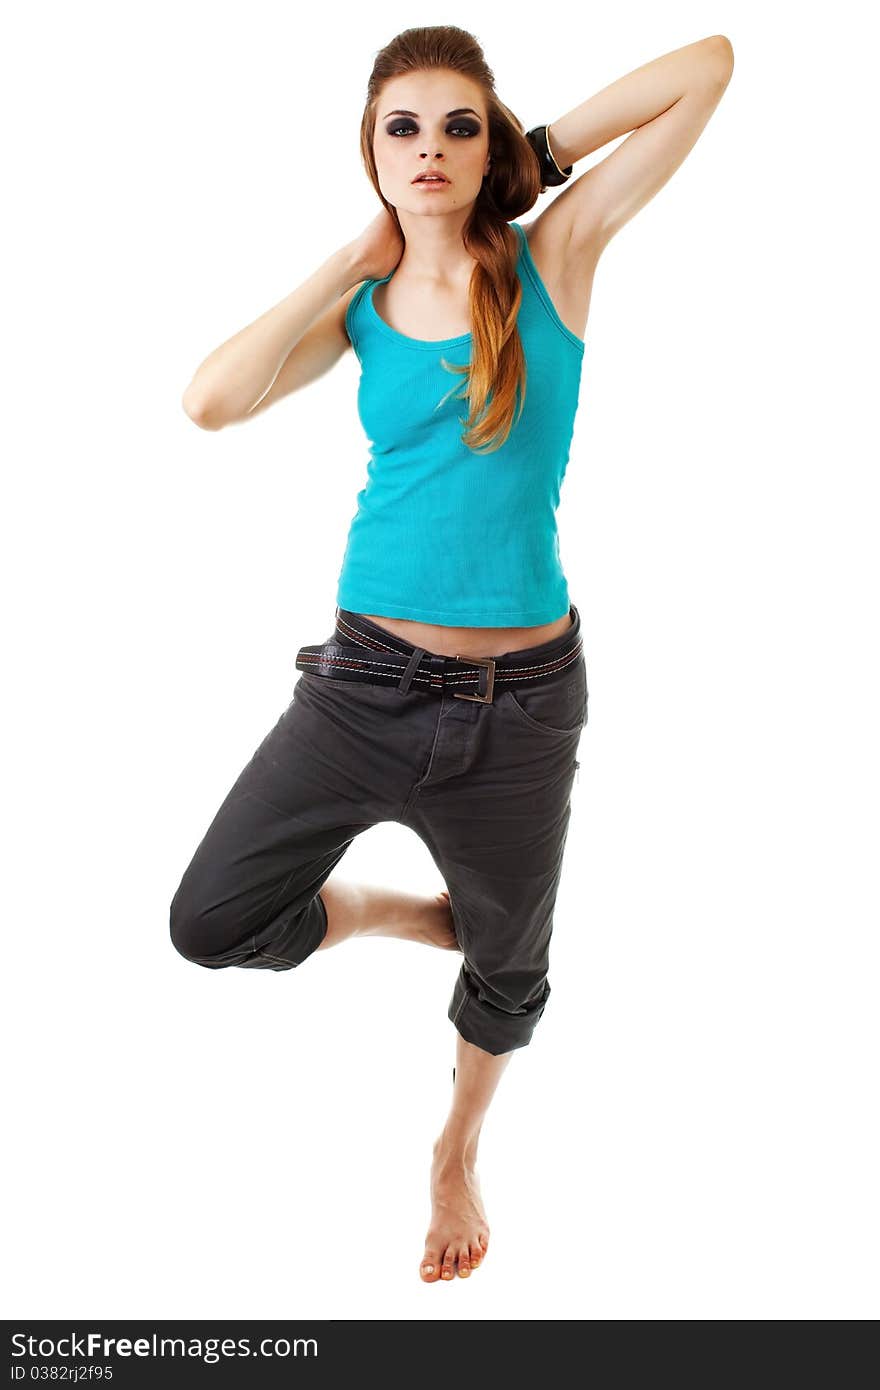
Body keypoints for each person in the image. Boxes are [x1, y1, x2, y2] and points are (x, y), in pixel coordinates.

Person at [170, 26, 734, 1283]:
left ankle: (454, 1152)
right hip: (366, 686)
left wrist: (538, 157)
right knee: (211, 920)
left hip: (526, 705)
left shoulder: (558, 260)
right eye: (402, 130)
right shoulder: (363, 314)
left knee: (510, 971)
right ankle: (379, 908)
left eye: (456, 127)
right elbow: (210, 401)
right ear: (369, 156)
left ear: (489, 148)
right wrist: (345, 259)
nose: (430, 149)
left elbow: (707, 63)